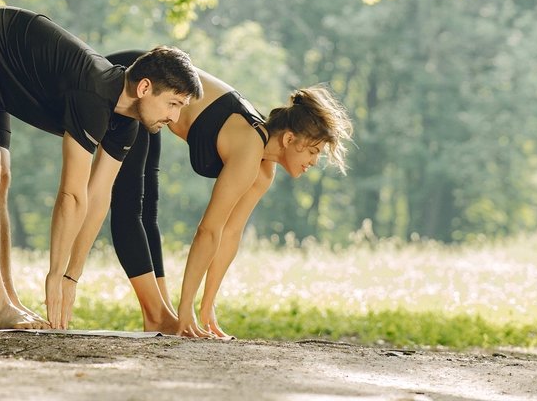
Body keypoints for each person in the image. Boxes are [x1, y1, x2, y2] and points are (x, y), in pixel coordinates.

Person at [0, 7, 202, 330]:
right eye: (173, 104)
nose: (175, 118)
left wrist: (72, 275)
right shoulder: (93, 93)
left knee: (0, 176)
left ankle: (7, 300)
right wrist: (55, 273)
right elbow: (72, 195)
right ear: (144, 88)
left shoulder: (126, 123)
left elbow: (97, 197)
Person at [59, 49, 352, 338]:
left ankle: (163, 315)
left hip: (156, 103)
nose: (314, 161)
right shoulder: (249, 148)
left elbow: (229, 233)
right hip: (138, 84)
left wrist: (206, 307)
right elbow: (208, 231)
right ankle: (159, 316)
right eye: (313, 151)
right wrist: (187, 305)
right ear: (288, 138)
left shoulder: (264, 170)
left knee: (148, 211)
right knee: (130, 205)